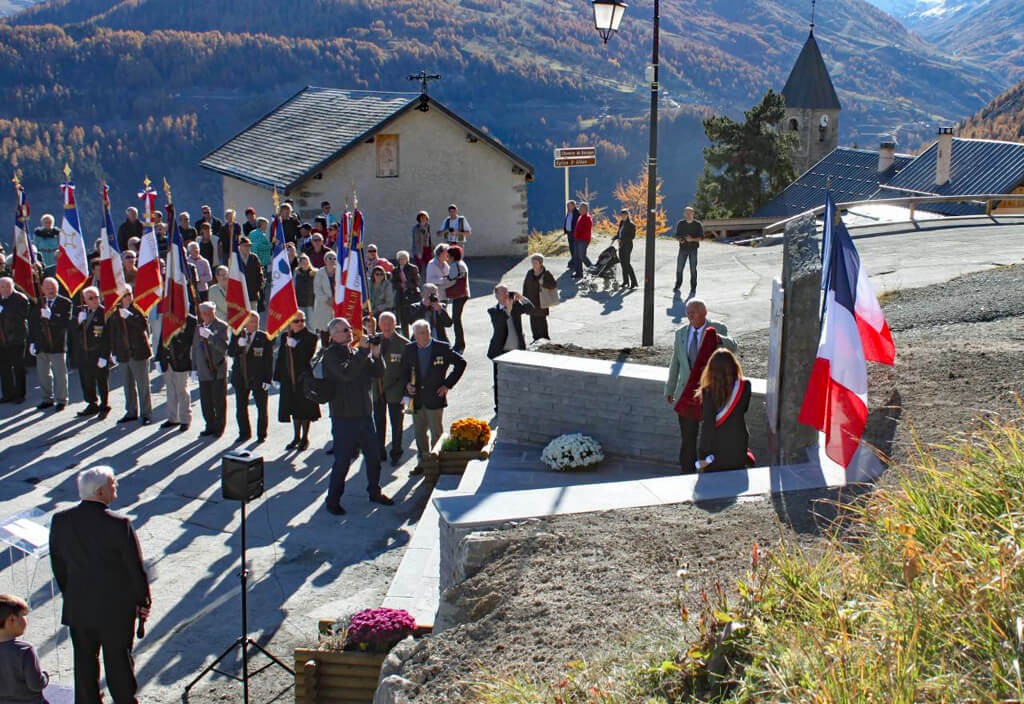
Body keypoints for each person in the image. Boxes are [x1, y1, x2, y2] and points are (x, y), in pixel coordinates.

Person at [49, 466, 150, 704]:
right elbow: (134, 568)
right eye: (113, 484)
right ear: (101, 491)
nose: (116, 488)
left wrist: (71, 593)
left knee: (84, 662)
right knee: (118, 662)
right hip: (115, 609)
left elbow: (59, 565)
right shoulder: (119, 524)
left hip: (79, 605)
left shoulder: (60, 520)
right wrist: (142, 600)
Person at [321, 317, 394, 514]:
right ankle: (333, 500)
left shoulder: (355, 352)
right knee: (343, 461)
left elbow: (378, 373)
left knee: (373, 457)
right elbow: (346, 374)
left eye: (350, 329)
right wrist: (363, 351)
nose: (350, 332)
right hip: (344, 417)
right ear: (333, 335)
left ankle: (374, 491)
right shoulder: (331, 356)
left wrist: (376, 355)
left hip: (364, 414)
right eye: (344, 330)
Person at [666, 299, 736, 474]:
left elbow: (733, 349)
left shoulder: (718, 328)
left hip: (711, 392)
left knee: (709, 437)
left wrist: (719, 339)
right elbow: (676, 362)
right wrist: (670, 388)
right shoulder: (681, 333)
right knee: (688, 438)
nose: (690, 316)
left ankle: (709, 470)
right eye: (688, 312)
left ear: (704, 313)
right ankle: (686, 471)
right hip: (687, 393)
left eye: (693, 312)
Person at [401, 319, 467, 472]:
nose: (422, 336)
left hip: (434, 397)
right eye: (419, 334)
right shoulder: (409, 349)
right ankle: (423, 462)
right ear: (414, 335)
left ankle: (437, 461)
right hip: (415, 399)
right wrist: (406, 385)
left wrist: (447, 385)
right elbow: (403, 370)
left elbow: (461, 363)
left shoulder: (441, 348)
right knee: (419, 433)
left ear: (430, 332)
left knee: (436, 432)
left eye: (425, 333)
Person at [696, 349, 752, 472]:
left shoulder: (708, 391)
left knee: (716, 486)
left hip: (715, 449)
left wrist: (702, 454)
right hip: (739, 443)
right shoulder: (745, 386)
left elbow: (708, 426)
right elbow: (744, 409)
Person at [274, 311, 319, 450]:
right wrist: (276, 377)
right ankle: (296, 437)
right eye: (296, 321)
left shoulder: (311, 337)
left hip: (303, 378)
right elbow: (281, 357)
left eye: (302, 320)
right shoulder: (285, 337)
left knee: (304, 409)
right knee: (294, 408)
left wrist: (296, 347)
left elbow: (306, 357)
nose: (300, 324)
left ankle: (305, 438)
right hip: (288, 378)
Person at [228, 311, 273, 443]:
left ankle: (261, 434)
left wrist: (267, 379)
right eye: (250, 321)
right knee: (241, 407)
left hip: (258, 378)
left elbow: (268, 360)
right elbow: (230, 352)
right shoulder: (238, 335)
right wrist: (238, 345)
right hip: (241, 377)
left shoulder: (264, 338)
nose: (253, 324)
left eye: (256, 322)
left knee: (262, 408)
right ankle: (244, 433)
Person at [486, 284, 533, 410]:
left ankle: (518, 403)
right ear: (496, 295)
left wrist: (521, 297)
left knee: (520, 379)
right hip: (501, 351)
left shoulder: (516, 307)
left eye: (507, 292)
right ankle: (499, 406)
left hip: (517, 350)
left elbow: (531, 309)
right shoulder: (493, 311)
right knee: (499, 381)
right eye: (503, 293)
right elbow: (501, 322)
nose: (506, 295)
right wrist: (508, 308)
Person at [110, 287, 153, 425]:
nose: (128, 297)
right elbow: (114, 334)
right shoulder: (115, 312)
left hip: (138, 352)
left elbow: (143, 326)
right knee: (127, 385)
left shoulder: (138, 308)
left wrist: (129, 317)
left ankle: (146, 413)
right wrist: (114, 352)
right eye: (125, 295)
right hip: (124, 353)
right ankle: (131, 411)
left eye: (129, 294)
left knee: (143, 386)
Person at [30, 277, 72, 411]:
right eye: (47, 288)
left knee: (60, 374)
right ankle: (47, 398)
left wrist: (51, 316)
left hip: (57, 344)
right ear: (42, 289)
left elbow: (66, 323)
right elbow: (34, 324)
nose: (50, 290)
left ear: (57, 288)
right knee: (43, 374)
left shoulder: (65, 302)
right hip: (42, 345)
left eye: (53, 288)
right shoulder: (39, 303)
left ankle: (61, 400)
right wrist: (32, 342)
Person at [374, 312, 409, 466]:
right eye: (384, 324)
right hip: (378, 389)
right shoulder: (374, 341)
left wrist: (406, 392)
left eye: (390, 323)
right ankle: (379, 450)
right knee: (379, 423)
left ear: (395, 324)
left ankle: (396, 452)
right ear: (379, 325)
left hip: (396, 389)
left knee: (397, 424)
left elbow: (408, 370)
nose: (387, 327)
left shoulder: (404, 344)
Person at [0, 593, 48, 703]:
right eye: (23, 615)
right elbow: (36, 685)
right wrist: (44, 676)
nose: (26, 620)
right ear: (12, 620)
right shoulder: (25, 650)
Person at [192, 301, 230, 437]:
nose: (207, 316)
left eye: (209, 313)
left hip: (217, 369)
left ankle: (219, 427)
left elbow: (224, 348)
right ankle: (210, 425)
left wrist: (211, 337)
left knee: (218, 401)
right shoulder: (198, 328)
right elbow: (195, 349)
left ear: (214, 312)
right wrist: (194, 368)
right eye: (204, 313)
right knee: (206, 401)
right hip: (203, 370)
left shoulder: (221, 326)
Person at [74, 287, 111, 417]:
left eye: (96, 297)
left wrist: (104, 356)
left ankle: (104, 404)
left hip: (98, 352)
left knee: (101, 380)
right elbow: (73, 332)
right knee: (86, 380)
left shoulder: (104, 312)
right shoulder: (81, 312)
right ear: (85, 300)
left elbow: (107, 337)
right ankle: (92, 403)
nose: (95, 300)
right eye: (91, 298)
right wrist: (78, 321)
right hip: (84, 352)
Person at [156, 312, 195, 431]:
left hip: (180, 360)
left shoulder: (190, 320)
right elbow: (162, 338)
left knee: (182, 391)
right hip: (167, 359)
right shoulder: (167, 316)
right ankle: (173, 418)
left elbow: (190, 341)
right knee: (170, 390)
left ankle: (185, 419)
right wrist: (158, 358)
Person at [0, 277, 29, 404]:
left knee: (18, 368)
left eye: (7, 286)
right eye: (1, 287)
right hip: (2, 339)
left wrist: (4, 310)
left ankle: (20, 394)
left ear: (12, 287)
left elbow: (22, 315)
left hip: (16, 338)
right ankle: (8, 394)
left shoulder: (20, 298)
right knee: (4, 368)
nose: (4, 289)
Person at [521, 253, 557, 342]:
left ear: (540, 263)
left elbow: (553, 285)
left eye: (535, 262)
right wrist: (524, 300)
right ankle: (535, 338)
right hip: (531, 301)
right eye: (532, 262)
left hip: (542, 301)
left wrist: (543, 283)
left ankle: (544, 338)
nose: (533, 264)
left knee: (541, 321)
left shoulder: (546, 273)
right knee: (533, 321)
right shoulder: (530, 273)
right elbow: (525, 286)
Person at [445, 245, 470, 353]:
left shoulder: (455, 265)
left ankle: (459, 343)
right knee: (457, 319)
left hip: (458, 295)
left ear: (452, 256)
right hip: (464, 294)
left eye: (449, 256)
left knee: (456, 319)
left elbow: (450, 279)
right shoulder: (462, 264)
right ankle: (460, 342)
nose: (447, 258)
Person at [673, 206, 703, 296]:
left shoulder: (698, 224)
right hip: (682, 249)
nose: (688, 215)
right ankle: (678, 285)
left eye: (690, 213)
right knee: (679, 268)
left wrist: (692, 239)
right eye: (686, 213)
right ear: (684, 214)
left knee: (693, 269)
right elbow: (676, 235)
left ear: (693, 214)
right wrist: (680, 239)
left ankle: (693, 287)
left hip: (693, 249)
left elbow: (701, 238)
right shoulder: (681, 223)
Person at [311, 251, 338, 345]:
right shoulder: (319, 273)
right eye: (330, 258)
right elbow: (317, 289)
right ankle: (324, 348)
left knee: (336, 327)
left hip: (337, 304)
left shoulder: (340, 272)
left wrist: (335, 299)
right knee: (324, 328)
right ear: (325, 260)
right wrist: (327, 299)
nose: (332, 260)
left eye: (334, 258)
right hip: (324, 305)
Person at [391, 250, 420, 337]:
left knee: (414, 318)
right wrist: (400, 285)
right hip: (401, 297)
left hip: (412, 296)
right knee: (403, 321)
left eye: (404, 259)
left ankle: (416, 337)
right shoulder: (395, 270)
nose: (402, 260)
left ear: (407, 259)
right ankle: (406, 338)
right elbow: (393, 283)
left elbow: (417, 282)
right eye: (400, 259)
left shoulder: (413, 268)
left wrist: (407, 284)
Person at [237, 236, 266, 311]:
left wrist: (258, 288)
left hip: (252, 294)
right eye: (245, 246)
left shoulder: (254, 258)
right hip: (240, 295)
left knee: (253, 316)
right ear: (240, 246)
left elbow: (260, 274)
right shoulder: (235, 259)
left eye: (249, 246)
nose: (248, 248)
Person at [612, 208, 639, 289]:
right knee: (623, 263)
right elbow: (619, 233)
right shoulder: (621, 223)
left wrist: (622, 239)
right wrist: (615, 237)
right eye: (622, 215)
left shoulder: (631, 225)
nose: (623, 216)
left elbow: (632, 237)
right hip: (621, 245)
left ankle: (633, 282)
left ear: (628, 215)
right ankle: (625, 281)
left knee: (627, 263)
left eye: (624, 215)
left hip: (627, 246)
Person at [293, 255, 317, 323]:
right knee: (301, 322)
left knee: (311, 323)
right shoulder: (296, 273)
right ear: (300, 264)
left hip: (311, 302)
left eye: (307, 263)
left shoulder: (314, 273)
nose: (305, 265)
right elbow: (294, 286)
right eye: (303, 263)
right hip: (299, 302)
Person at [563, 200, 580, 273]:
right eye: (567, 206)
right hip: (569, 233)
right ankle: (573, 263)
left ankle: (574, 264)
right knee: (571, 248)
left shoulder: (577, 213)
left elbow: (577, 224)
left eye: (569, 206)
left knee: (575, 249)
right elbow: (567, 221)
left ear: (573, 205)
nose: (567, 207)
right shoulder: (569, 212)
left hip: (574, 234)